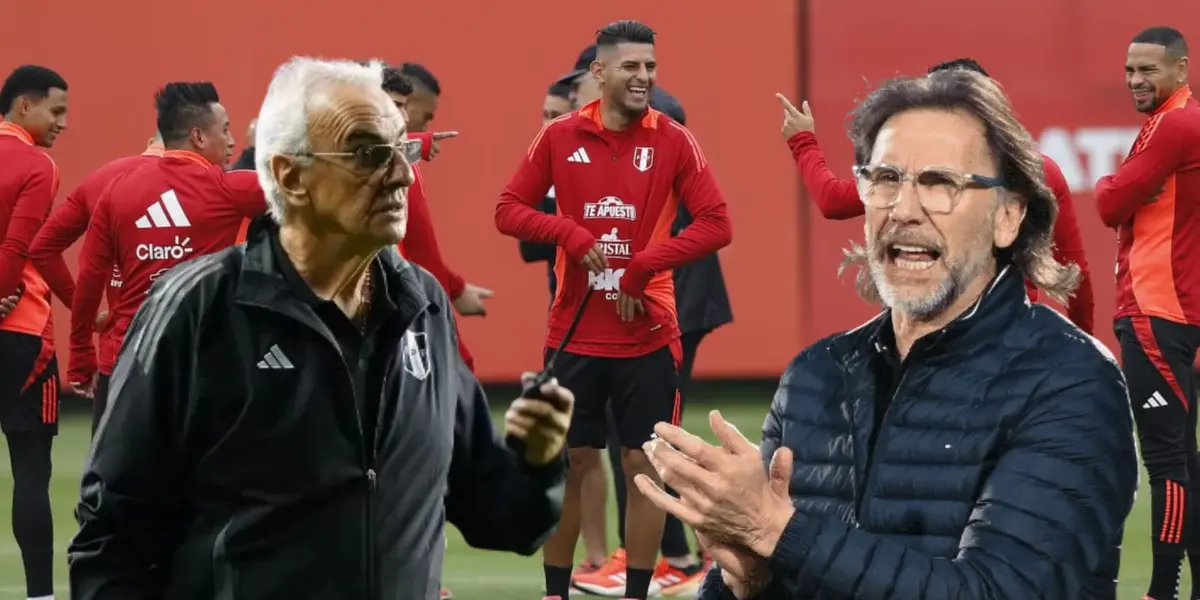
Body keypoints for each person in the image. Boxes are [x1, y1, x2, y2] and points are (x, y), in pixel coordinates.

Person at [68, 56, 572, 600]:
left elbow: (500, 518)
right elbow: (112, 542)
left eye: (402, 149)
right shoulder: (198, 309)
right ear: (290, 175)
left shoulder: (422, 307)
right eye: (366, 153)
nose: (402, 173)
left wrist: (538, 465)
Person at [634, 69, 1137, 600]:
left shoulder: (1073, 385)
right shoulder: (814, 377)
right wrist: (749, 581)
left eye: (941, 184)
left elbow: (998, 591)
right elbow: (774, 567)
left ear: (1007, 217)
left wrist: (775, 531)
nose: (904, 209)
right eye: (885, 179)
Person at [495, 20, 733, 600]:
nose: (643, 77)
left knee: (642, 468)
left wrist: (646, 264)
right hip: (573, 331)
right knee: (571, 466)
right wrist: (571, 236)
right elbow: (507, 210)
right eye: (631, 66)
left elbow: (718, 224)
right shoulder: (557, 138)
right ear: (598, 73)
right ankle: (556, 592)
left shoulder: (674, 139)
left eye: (650, 66)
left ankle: (637, 592)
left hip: (650, 335)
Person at [778, 57, 1096, 334]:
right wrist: (1086, 347)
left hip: (943, 329)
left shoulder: (1034, 171)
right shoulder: (1039, 169)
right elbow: (1075, 270)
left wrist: (802, 142)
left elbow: (832, 199)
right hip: (987, 330)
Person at [67, 81, 260, 435]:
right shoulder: (231, 189)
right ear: (199, 137)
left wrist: (80, 354)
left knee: (113, 482)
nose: (232, 140)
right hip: (201, 360)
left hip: (126, 361)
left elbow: (91, 277)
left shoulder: (117, 190)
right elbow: (309, 189)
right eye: (226, 130)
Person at [1095, 26, 1200, 600]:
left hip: (1153, 312)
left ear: (1181, 71)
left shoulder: (1174, 125)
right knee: (1184, 453)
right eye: (1130, 69)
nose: (1136, 80)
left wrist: (1114, 180)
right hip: (1172, 311)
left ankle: (1161, 591)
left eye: (1149, 70)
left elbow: (1110, 202)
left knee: (1165, 460)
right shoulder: (1177, 124)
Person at [28, 134, 164, 414]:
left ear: (151, 139)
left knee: (112, 456)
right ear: (196, 135)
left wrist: (85, 316)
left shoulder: (103, 179)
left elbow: (43, 248)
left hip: (118, 357)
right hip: (188, 361)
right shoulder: (210, 184)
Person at [0, 63, 68, 600]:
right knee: (30, 471)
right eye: (56, 110)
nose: (62, 123)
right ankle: (41, 596)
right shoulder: (36, 164)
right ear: (24, 106)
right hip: (20, 332)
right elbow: (21, 249)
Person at [381, 66, 488, 373]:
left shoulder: (400, 164)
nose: (404, 118)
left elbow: (419, 250)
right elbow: (421, 257)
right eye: (398, 106)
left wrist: (454, 288)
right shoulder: (392, 169)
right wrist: (450, 340)